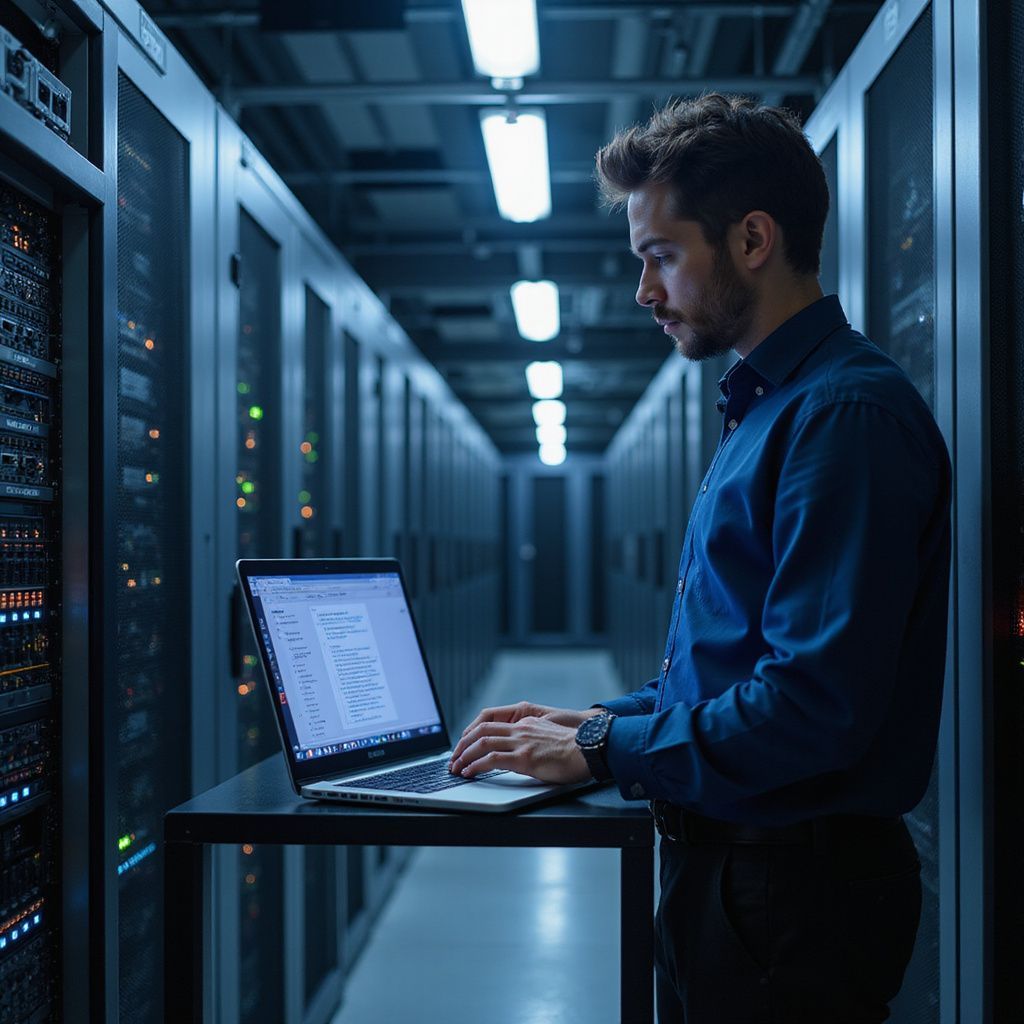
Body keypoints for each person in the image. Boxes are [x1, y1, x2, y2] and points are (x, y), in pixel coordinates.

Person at [448, 94, 951, 1023]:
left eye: (660, 256)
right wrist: (603, 717)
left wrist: (602, 747)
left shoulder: (842, 418)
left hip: (792, 894)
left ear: (752, 240)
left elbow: (810, 708)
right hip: (730, 871)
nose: (645, 292)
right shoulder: (765, 410)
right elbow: (732, 662)